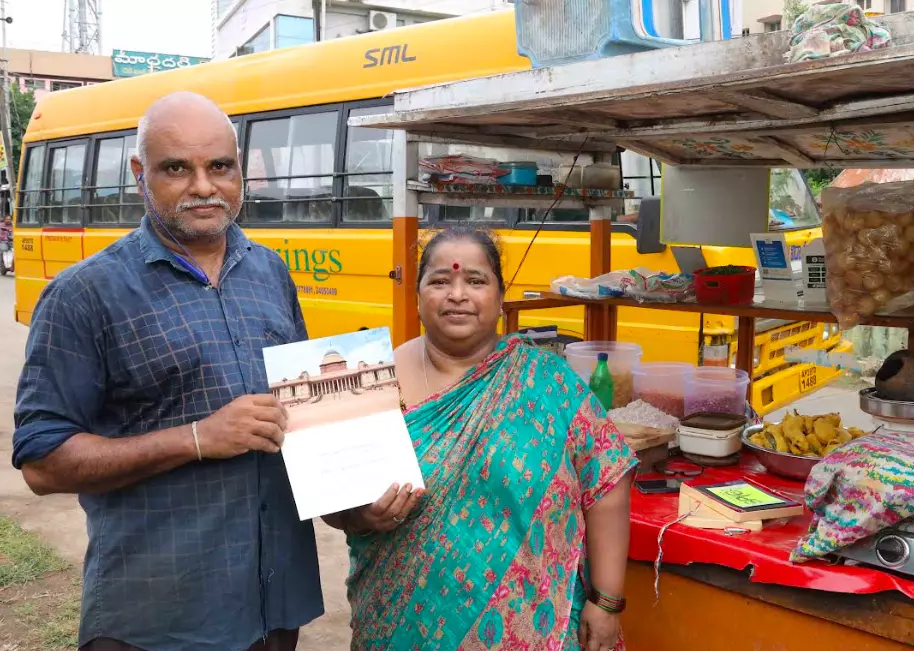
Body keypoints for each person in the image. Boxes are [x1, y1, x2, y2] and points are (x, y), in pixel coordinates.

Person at [11, 91, 324, 651]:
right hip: (160, 616)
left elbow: (302, 409)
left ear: (240, 169)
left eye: (219, 167)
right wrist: (198, 438)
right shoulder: (85, 294)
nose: (203, 187)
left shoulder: (270, 272)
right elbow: (42, 463)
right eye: (177, 168)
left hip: (275, 603)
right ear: (140, 174)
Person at [321, 227, 639, 651]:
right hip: (405, 627)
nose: (457, 294)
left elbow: (608, 483)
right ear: (416, 296)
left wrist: (606, 600)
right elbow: (331, 501)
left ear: (500, 296)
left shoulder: (548, 381)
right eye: (439, 281)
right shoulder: (365, 384)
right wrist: (362, 517)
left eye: (475, 280)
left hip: (534, 628)